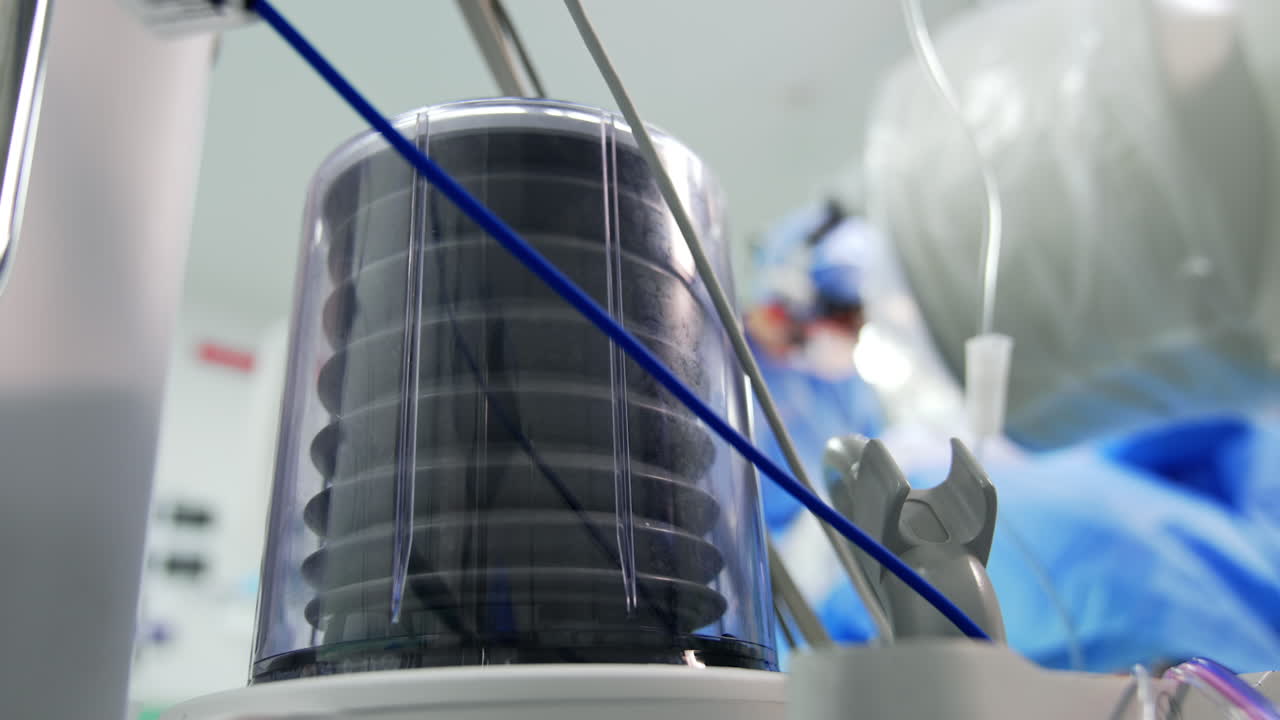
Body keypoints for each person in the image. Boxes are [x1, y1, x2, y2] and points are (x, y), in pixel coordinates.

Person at [746, 199, 885, 532]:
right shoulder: (716, 360)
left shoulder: (849, 395)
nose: (850, 337)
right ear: (795, 293)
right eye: (845, 320)